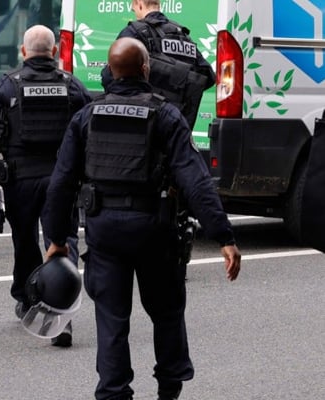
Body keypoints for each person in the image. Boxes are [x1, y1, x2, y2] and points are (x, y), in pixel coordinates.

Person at [42, 37, 241, 400]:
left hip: (105, 232)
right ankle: (169, 388)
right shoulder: (165, 114)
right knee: (166, 313)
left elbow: (61, 183)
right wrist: (224, 236)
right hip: (155, 230)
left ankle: (115, 391)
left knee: (112, 320)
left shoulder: (86, 116)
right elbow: (194, 179)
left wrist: (56, 239)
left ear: (110, 71)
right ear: (146, 69)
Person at [0, 25, 92, 347]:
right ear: (53, 51)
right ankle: (60, 313)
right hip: (61, 181)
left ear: (24, 52)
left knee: (25, 242)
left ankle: (27, 298)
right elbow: (89, 136)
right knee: (61, 242)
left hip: (20, 182)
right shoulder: (73, 87)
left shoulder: (5, 88)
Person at [101, 0, 215, 129]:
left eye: (134, 10)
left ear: (139, 4)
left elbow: (109, 76)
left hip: (143, 123)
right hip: (177, 125)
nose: (135, 14)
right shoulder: (183, 36)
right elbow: (208, 76)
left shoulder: (135, 32)